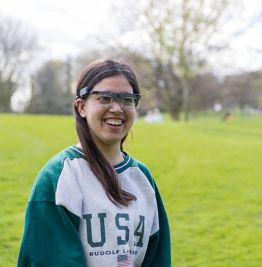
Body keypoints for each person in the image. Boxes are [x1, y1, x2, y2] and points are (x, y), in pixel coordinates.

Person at [18, 59, 171, 267]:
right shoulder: (60, 175)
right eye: (105, 98)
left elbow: (157, 259)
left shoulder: (141, 177)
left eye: (127, 99)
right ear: (81, 107)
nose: (117, 108)